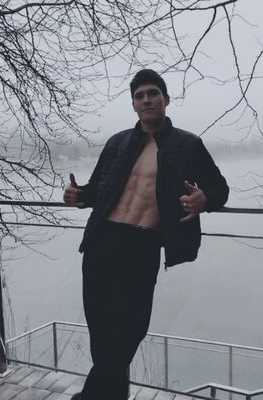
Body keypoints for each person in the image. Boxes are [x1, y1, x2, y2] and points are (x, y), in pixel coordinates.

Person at [63, 69, 229, 400]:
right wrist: (77, 194)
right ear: (133, 104)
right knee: (101, 329)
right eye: (139, 96)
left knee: (132, 326)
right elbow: (98, 190)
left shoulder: (188, 145)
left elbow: (220, 189)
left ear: (166, 99)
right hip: (102, 240)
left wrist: (205, 199)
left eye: (153, 93)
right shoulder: (117, 142)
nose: (146, 100)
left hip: (143, 243)